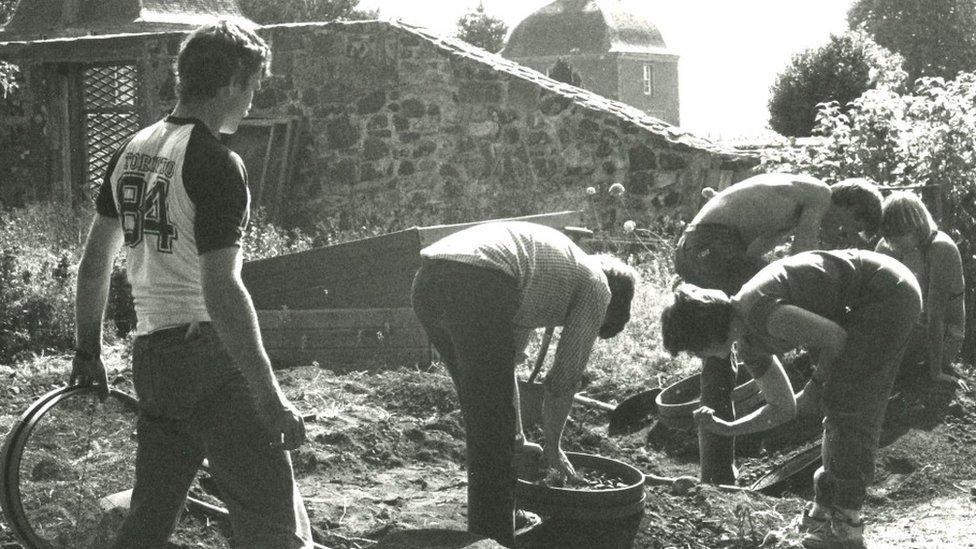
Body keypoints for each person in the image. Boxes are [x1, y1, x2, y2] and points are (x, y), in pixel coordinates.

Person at [70, 21, 313, 548]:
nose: (252, 100)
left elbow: (94, 265)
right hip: (206, 357)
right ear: (230, 82)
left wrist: (88, 348)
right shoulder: (218, 163)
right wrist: (269, 394)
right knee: (271, 520)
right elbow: (223, 289)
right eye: (251, 86)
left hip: (153, 359)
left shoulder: (130, 150)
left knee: (149, 520)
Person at [661, 249, 921, 549]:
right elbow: (783, 408)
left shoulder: (761, 314)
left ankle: (846, 526)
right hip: (866, 302)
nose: (696, 356)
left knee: (850, 407)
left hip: (887, 293)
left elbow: (836, 339)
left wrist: (817, 383)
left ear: (705, 333)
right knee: (835, 406)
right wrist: (725, 428)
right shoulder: (747, 342)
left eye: (694, 349)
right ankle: (825, 512)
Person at [410, 221, 638, 547]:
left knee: (487, 422)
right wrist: (553, 448)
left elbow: (505, 370)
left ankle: (497, 522)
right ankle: (494, 538)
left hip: (428, 284)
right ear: (610, 308)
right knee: (493, 434)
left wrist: (517, 437)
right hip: (474, 283)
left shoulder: (551, 273)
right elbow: (563, 380)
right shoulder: (597, 286)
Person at [676, 173, 883, 484]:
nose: (842, 235)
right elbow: (804, 258)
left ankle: (716, 466)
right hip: (712, 246)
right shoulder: (819, 195)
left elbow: (758, 248)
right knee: (748, 324)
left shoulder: (789, 199)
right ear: (850, 207)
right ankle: (718, 471)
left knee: (725, 345)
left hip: (693, 248)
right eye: (850, 227)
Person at [874, 191, 967, 390]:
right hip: (909, 325)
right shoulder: (887, 246)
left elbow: (936, 316)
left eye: (900, 234)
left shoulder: (941, 250)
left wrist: (936, 372)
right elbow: (875, 297)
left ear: (917, 226)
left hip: (944, 334)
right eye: (889, 235)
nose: (893, 242)